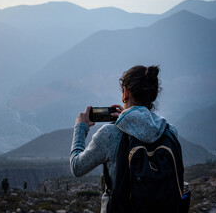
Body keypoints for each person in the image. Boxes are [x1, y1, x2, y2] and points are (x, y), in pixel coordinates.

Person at [70, 65, 181, 210]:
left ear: (125, 92)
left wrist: (80, 127)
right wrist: (127, 121)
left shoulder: (109, 134)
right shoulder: (170, 131)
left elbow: (77, 167)